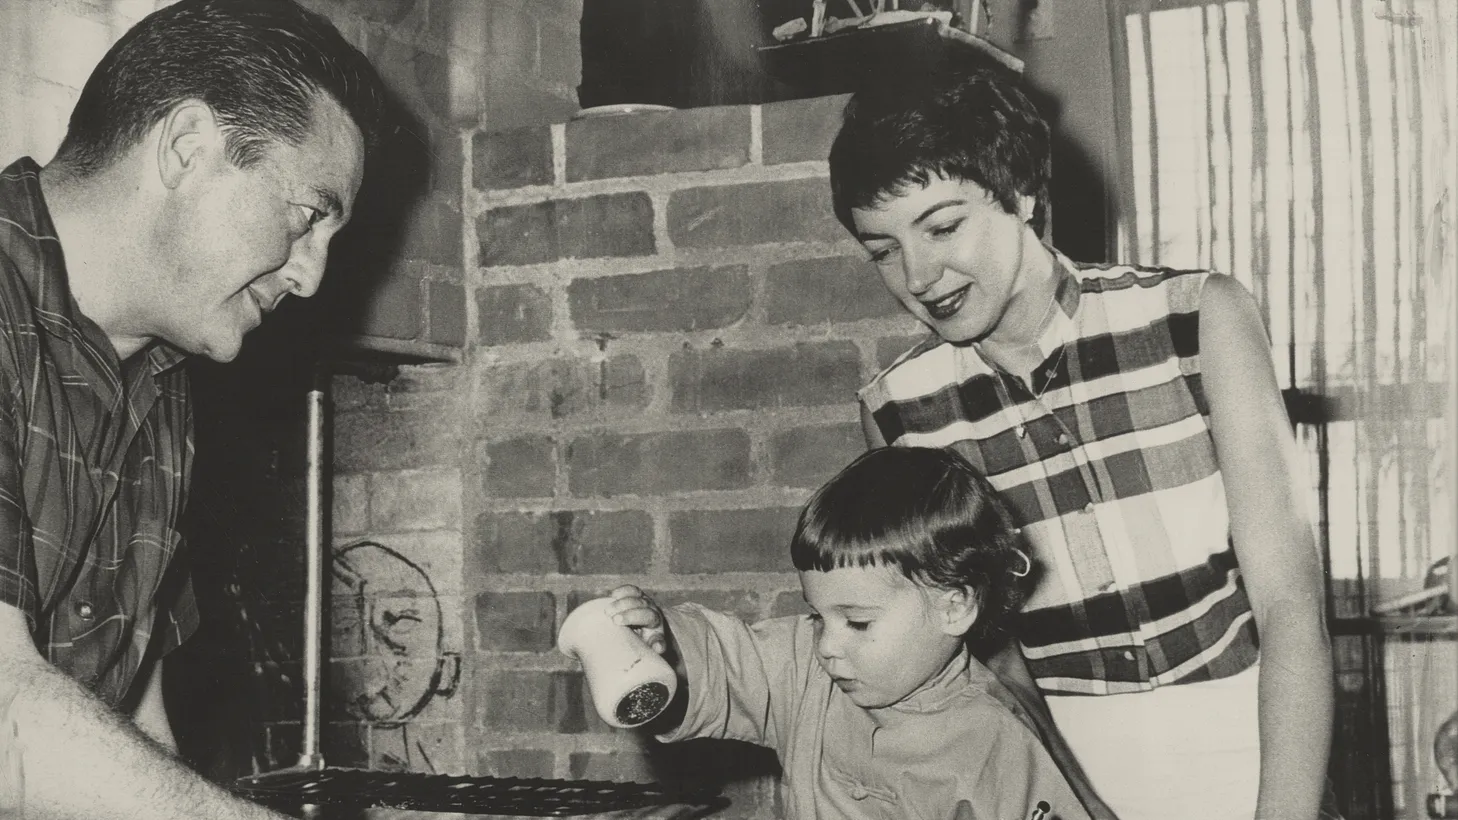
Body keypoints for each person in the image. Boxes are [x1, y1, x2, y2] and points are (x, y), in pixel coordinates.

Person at [830, 58, 1335, 820]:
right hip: (1059, 784)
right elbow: (988, 660)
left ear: (1022, 193)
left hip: (1263, 757)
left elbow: (1291, 605)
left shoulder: (1196, 320)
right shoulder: (900, 411)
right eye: (883, 250)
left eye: (942, 226)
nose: (920, 274)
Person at [0, 1, 389, 817]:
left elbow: (131, 725)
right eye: (309, 216)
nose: (311, 277)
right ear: (187, 147)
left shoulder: (161, 372)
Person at [602, 446, 1095, 820]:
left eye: (857, 622)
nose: (827, 645)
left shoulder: (995, 743)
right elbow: (731, 662)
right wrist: (665, 646)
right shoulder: (807, 673)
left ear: (955, 606)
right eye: (818, 617)